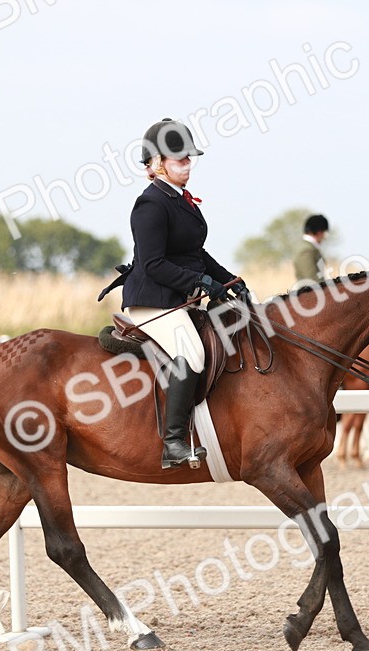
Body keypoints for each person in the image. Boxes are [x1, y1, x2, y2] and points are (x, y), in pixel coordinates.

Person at [110, 117, 247, 469]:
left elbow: (197, 254)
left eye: (189, 158)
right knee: (192, 352)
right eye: (180, 158)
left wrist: (230, 281)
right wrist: (200, 282)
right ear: (158, 163)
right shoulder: (151, 204)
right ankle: (173, 442)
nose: (187, 164)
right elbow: (153, 264)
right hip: (152, 301)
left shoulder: (182, 201)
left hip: (176, 298)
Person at [293, 214, 329, 282]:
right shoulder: (306, 250)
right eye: (325, 233)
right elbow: (312, 279)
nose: (325, 237)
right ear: (319, 232)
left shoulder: (311, 248)